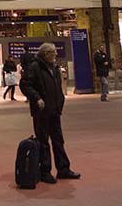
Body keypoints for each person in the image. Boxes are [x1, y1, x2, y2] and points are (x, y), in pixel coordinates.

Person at [19, 43, 81, 184]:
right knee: (43, 142)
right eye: (53, 52)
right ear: (46, 54)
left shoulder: (53, 67)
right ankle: (45, 171)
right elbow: (25, 84)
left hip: (54, 110)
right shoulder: (34, 67)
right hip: (41, 112)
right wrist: (37, 98)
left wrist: (60, 101)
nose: (55, 55)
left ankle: (63, 169)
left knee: (58, 141)